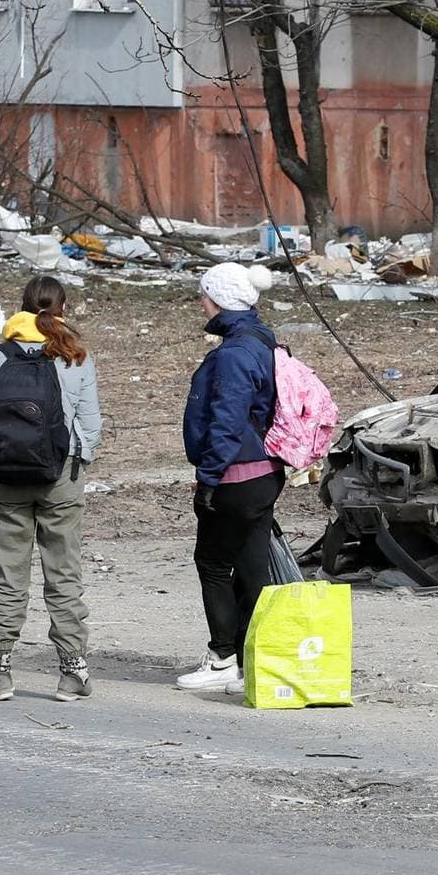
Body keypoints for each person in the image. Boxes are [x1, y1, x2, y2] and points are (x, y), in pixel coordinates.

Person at [0, 275, 104, 702]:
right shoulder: (74, 355)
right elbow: (90, 423)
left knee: (8, 573)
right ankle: (72, 671)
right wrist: (76, 460)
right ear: (62, 308)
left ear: (23, 308)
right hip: (60, 476)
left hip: (7, 477)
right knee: (63, 572)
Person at [176, 262, 280, 694]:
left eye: (204, 295)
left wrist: (209, 478)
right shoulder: (261, 340)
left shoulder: (234, 353)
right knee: (253, 569)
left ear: (219, 299)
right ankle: (252, 661)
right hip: (264, 471)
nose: (201, 302)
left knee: (214, 563)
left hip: (236, 475)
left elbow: (227, 421)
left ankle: (222, 659)